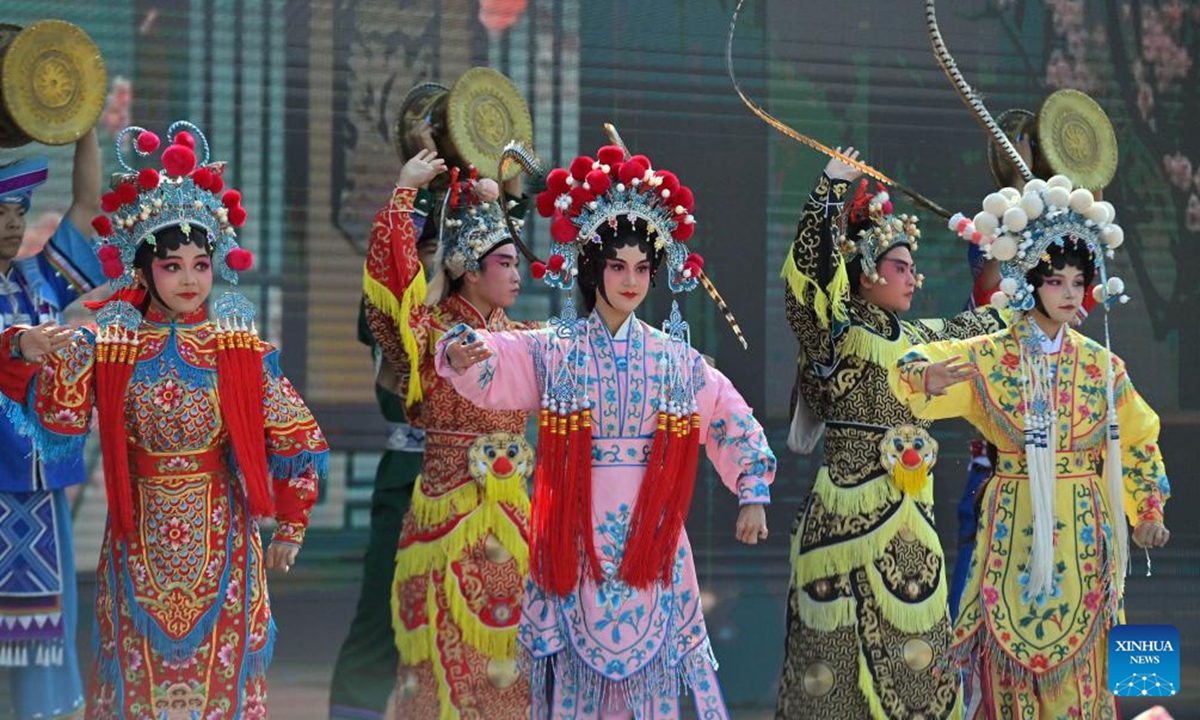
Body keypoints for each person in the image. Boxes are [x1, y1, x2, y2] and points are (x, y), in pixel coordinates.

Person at [0, 123, 328, 718]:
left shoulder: (238, 346)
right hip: (137, 540)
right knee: (137, 683)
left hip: (225, 540)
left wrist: (293, 523)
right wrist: (23, 349)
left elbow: (296, 438)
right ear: (144, 270)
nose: (189, 280)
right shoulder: (107, 345)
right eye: (173, 266)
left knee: (218, 689)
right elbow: (55, 420)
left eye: (201, 265)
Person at [439, 138, 775, 718]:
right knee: (573, 686)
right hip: (575, 535)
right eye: (617, 266)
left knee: (653, 689)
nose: (630, 280)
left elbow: (726, 413)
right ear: (594, 268)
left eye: (642, 268)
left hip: (653, 537)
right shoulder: (554, 350)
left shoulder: (674, 358)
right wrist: (462, 352)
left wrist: (752, 491)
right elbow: (497, 357)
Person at [893, 175, 1170, 718]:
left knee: (1087, 671)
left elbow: (1138, 441)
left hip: (1086, 530)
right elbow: (911, 360)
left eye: (1078, 282)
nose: (1070, 293)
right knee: (1007, 672)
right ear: (1030, 284)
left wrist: (1147, 510)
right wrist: (923, 378)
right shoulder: (992, 355)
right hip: (1015, 522)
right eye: (1057, 282)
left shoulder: (1101, 366)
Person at [774, 149, 1009, 719]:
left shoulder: (919, 337)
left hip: (912, 534)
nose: (911, 276)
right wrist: (830, 190)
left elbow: (990, 323)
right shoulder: (837, 334)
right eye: (898, 266)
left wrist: (1009, 255)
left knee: (922, 665)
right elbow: (808, 285)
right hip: (841, 527)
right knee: (830, 675)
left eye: (911, 266)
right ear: (865, 272)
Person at [363, 144, 536, 718]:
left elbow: (593, 349)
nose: (517, 274)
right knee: (438, 664)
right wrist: (404, 196)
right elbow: (391, 305)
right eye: (504, 263)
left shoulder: (527, 338)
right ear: (466, 267)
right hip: (446, 524)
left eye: (516, 262)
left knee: (510, 666)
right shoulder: (431, 333)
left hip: (513, 527)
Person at [0, 128, 105, 720]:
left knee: (41, 626)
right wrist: (16, 342)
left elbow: (85, 207)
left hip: (37, 485)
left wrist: (84, 124)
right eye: (1, 213)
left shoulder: (39, 279)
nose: (15, 224)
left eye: (19, 212)